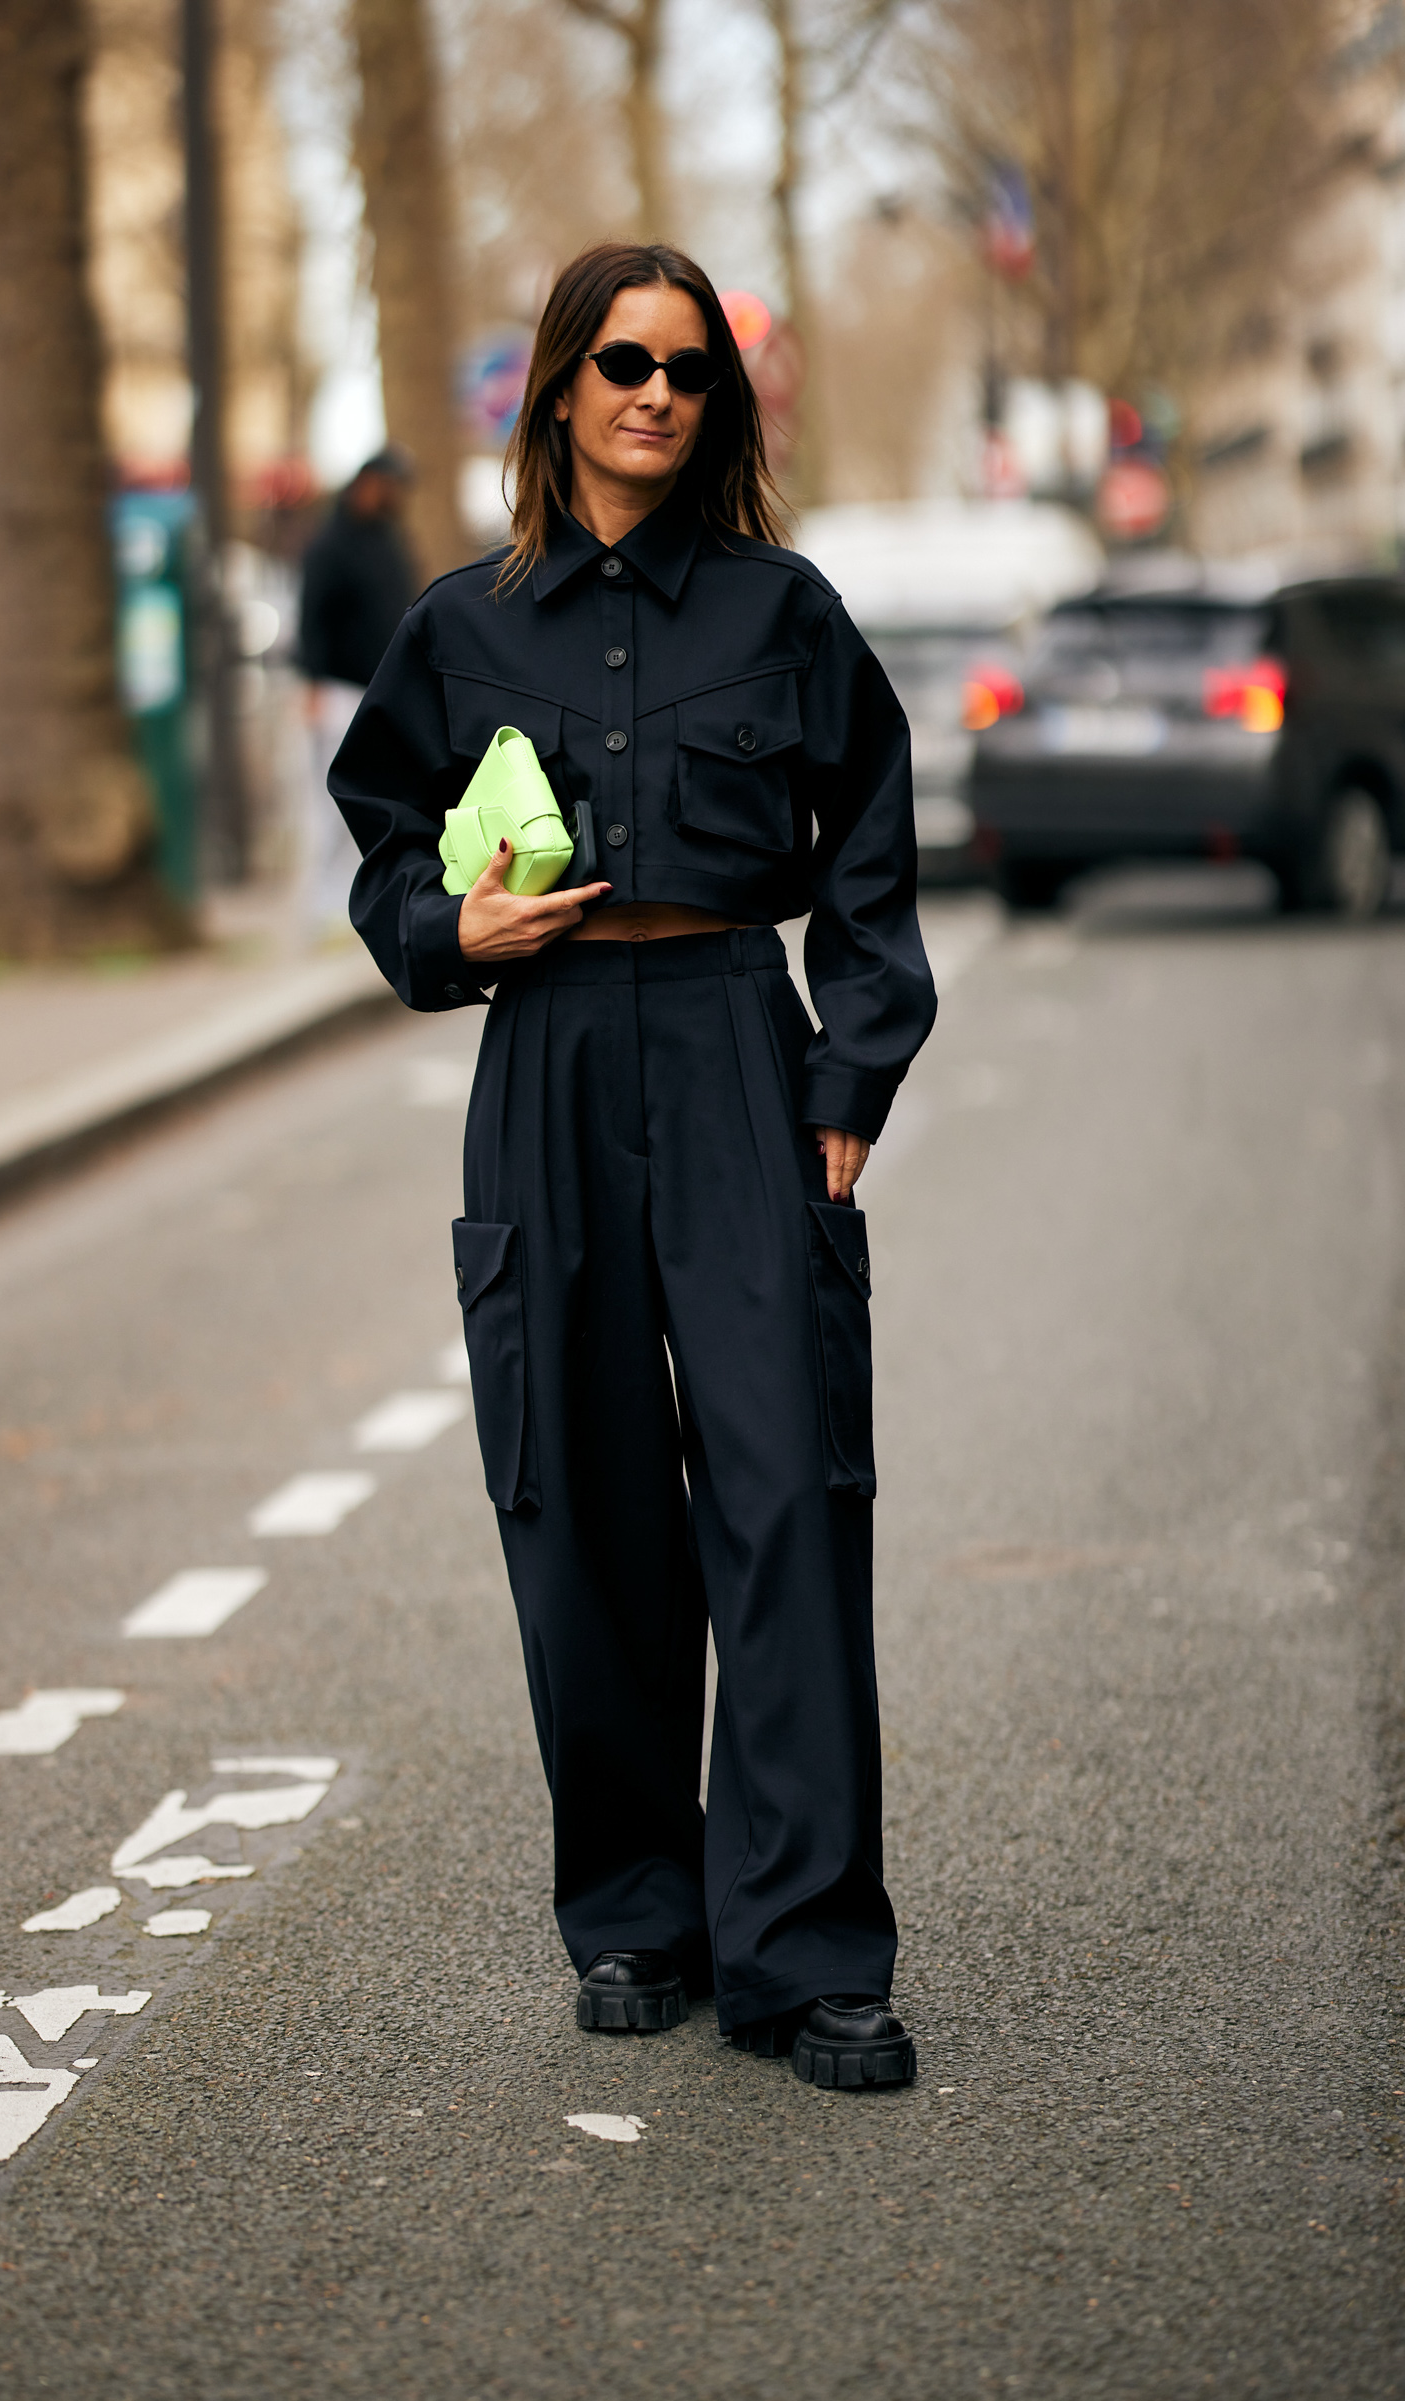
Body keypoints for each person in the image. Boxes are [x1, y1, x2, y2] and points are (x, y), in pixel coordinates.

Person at [328, 242, 936, 2091]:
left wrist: (848, 1072)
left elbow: (871, 849)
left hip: (740, 1057)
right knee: (582, 1504)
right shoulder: (463, 625)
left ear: (718, 397)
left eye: (685, 366)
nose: (655, 392)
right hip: (550, 1063)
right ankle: (635, 1913)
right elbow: (377, 847)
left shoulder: (784, 609)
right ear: (560, 391)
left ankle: (809, 1955)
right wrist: (450, 934)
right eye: (620, 362)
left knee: (784, 1495)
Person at [296, 447, 417, 939]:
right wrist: (313, 683)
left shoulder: (386, 539)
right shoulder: (330, 544)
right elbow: (312, 619)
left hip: (382, 690)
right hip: (339, 691)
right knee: (330, 803)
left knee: (376, 799)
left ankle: (359, 899)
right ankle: (322, 907)